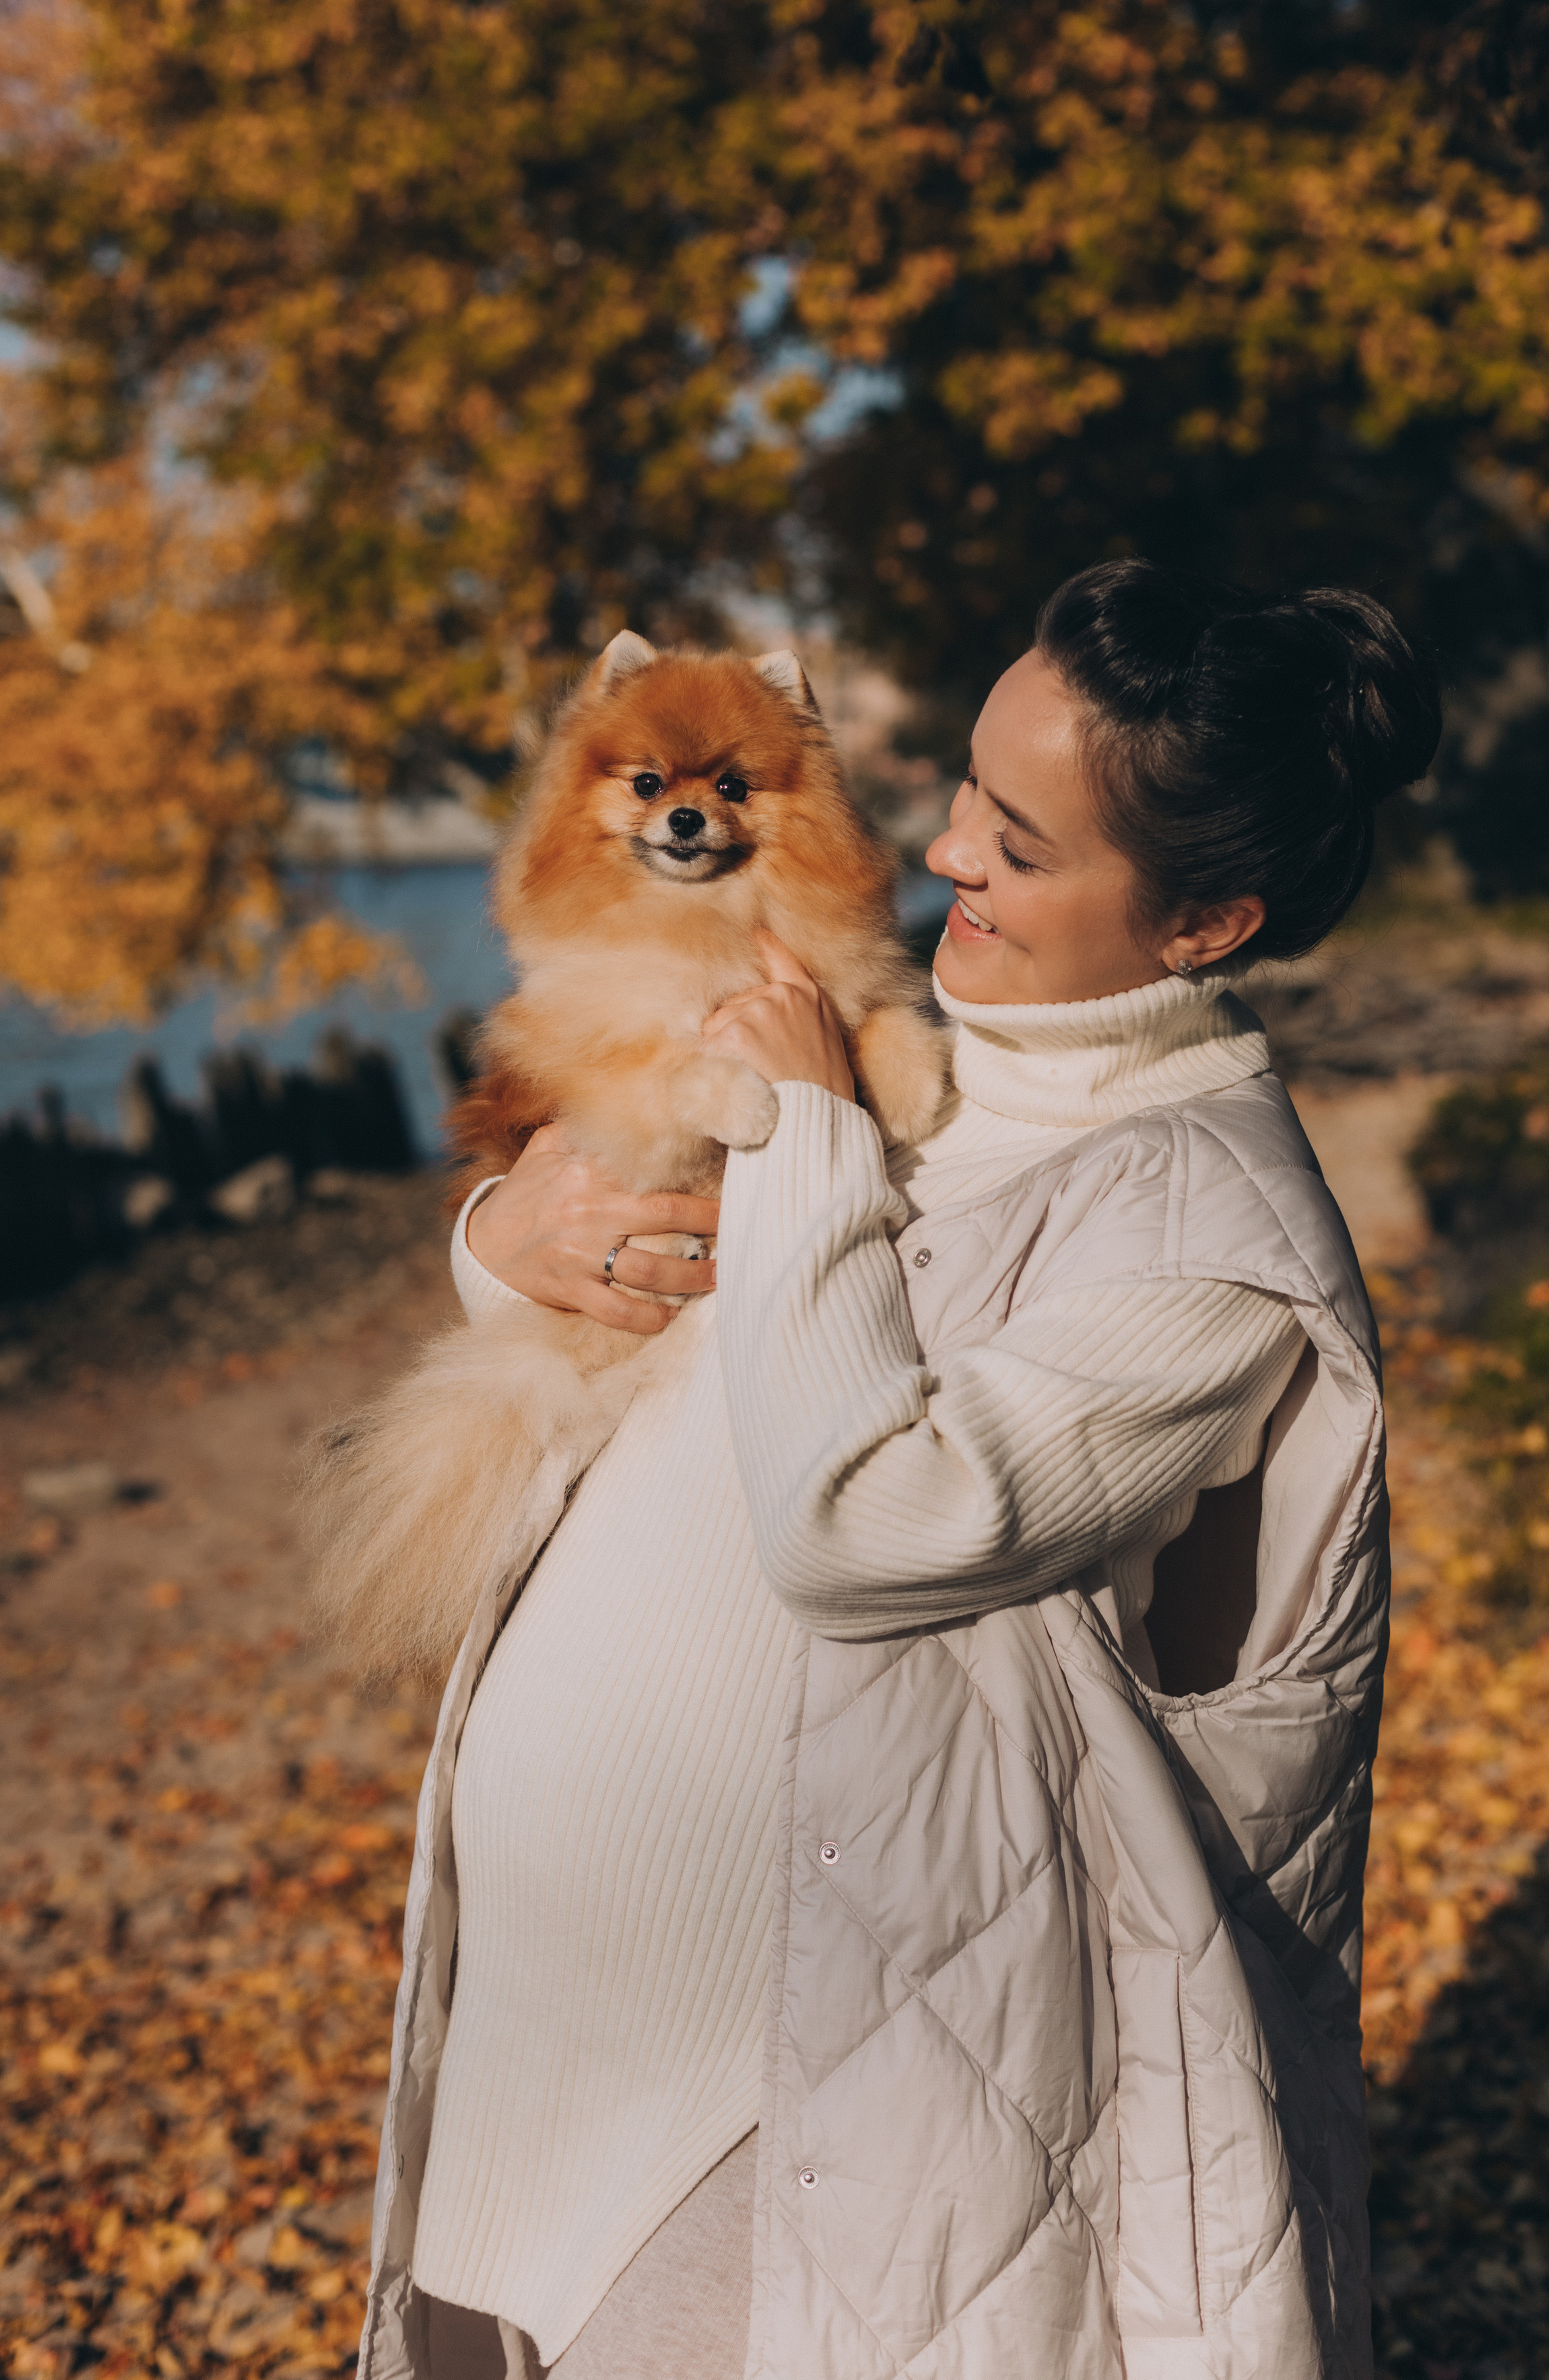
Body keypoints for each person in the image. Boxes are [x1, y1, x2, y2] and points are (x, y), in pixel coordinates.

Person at [358, 560, 1441, 2380]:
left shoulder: (1212, 1252)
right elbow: (675, 1279)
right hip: (546, 2028)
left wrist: (806, 1132)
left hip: (798, 2082)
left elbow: (859, 1523)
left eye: (1019, 846)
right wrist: (505, 1239)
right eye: (961, 794)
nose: (946, 856)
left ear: (1203, 922)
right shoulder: (895, 1030)